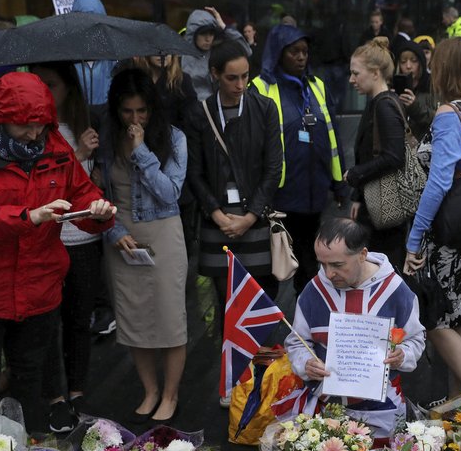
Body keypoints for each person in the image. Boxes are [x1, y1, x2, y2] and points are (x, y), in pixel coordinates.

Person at [0, 72, 115, 431]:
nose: (34, 134)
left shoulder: (56, 146)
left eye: (41, 125)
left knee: (30, 384)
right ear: (1, 118)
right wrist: (29, 216)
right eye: (25, 126)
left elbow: (81, 193)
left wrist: (98, 211)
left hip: (38, 289)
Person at [96, 69, 188, 427]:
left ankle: (170, 394)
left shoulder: (174, 139)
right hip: (122, 235)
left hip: (163, 231)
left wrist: (141, 151)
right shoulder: (105, 139)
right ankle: (150, 390)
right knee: (134, 317)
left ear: (153, 109)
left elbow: (170, 192)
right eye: (127, 112)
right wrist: (112, 230)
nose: (135, 119)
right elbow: (100, 195)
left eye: (142, 112)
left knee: (169, 318)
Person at [404, 37, 461, 397]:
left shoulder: (447, 114)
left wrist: (414, 239)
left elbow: (439, 182)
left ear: (443, 68)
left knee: (434, 318)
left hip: (448, 232)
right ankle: (460, 406)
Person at [285, 217, 425, 437]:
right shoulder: (314, 290)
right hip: (324, 410)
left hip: (383, 410)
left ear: (362, 255)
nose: (329, 273)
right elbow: (296, 341)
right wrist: (306, 363)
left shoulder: (395, 290)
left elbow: (416, 340)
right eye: (323, 264)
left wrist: (402, 354)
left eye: (337, 265)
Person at [186, 41, 282, 340]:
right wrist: (216, 214)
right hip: (218, 220)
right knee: (226, 302)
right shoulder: (200, 114)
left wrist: (251, 216)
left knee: (261, 301)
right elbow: (194, 171)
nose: (240, 84)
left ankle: (262, 375)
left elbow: (273, 168)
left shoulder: (264, 108)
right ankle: (234, 380)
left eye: (245, 76)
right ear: (214, 74)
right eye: (232, 77)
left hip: (253, 218)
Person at [29, 62, 102, 432]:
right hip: (45, 242)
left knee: (78, 321)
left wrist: (89, 153)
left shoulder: (81, 126)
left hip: (83, 239)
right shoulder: (31, 133)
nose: (45, 91)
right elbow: (44, 184)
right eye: (38, 84)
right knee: (47, 324)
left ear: (69, 88)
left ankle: (76, 391)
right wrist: (82, 158)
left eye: (51, 84)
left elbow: (86, 191)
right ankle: (55, 398)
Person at [251, 24, 346, 294]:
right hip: (279, 198)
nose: (302, 57)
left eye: (305, 52)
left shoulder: (316, 87)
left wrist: (339, 184)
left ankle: (307, 329)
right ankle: (267, 333)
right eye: (295, 52)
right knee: (272, 269)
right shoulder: (259, 88)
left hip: (315, 196)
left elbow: (333, 136)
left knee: (309, 268)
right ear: (279, 53)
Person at [345, 37, 407, 271]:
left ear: (375, 73)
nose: (351, 80)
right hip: (375, 203)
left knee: (381, 270)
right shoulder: (378, 102)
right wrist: (358, 196)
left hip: (385, 209)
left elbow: (394, 157)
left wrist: (355, 174)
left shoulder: (384, 105)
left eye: (355, 73)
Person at [182, 7, 252, 101]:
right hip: (191, 110)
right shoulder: (180, 58)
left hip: (217, 109)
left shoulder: (217, 54)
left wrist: (223, 26)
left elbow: (245, 50)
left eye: (211, 34)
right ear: (193, 33)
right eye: (203, 34)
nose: (208, 39)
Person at [127, 55, 196, 131]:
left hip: (173, 136)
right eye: (157, 51)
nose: (163, 55)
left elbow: (190, 117)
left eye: (167, 51)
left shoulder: (181, 80)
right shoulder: (133, 79)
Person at [71, 0, 117, 111]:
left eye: (95, 19)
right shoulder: (66, 57)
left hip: (109, 117)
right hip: (77, 117)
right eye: (83, 19)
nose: (90, 25)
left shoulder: (114, 56)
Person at [394, 38, 436, 140]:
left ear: (421, 63)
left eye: (414, 61)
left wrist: (414, 107)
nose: (408, 66)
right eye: (403, 62)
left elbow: (437, 119)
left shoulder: (432, 86)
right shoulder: (392, 88)